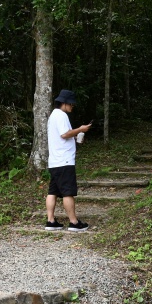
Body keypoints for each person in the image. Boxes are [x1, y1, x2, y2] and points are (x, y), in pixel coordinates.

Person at [45, 89, 92, 231]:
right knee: (68, 192)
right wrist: (80, 129)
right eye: (71, 104)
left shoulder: (54, 115)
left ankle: (51, 221)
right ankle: (74, 223)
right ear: (64, 103)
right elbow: (65, 134)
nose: (72, 106)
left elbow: (62, 136)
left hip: (55, 161)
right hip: (64, 161)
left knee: (53, 191)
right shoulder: (61, 115)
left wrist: (77, 136)